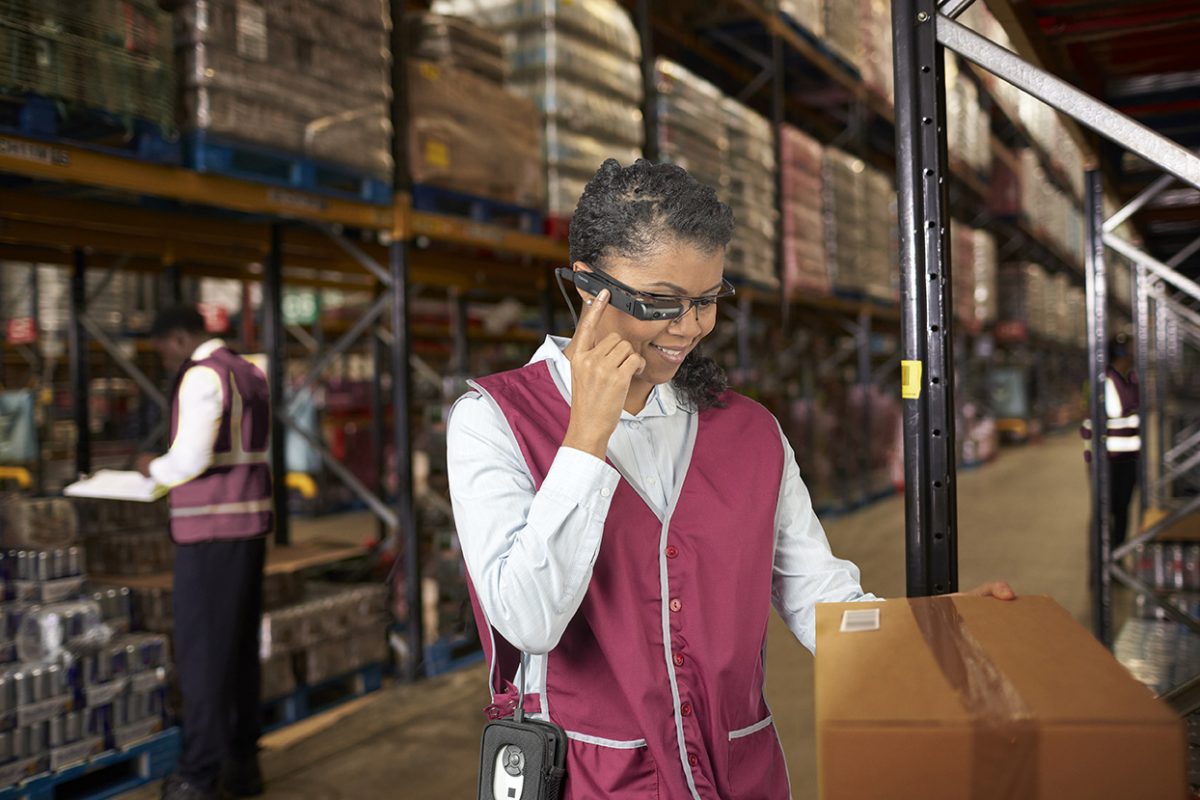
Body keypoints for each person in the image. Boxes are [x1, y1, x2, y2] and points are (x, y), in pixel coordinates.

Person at [446, 159, 1015, 799]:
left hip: (737, 778)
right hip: (588, 782)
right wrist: (586, 437)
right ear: (586, 287)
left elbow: (818, 596)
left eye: (706, 300)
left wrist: (937, 637)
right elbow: (527, 621)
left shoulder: (750, 434)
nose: (689, 327)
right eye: (660, 301)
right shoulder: (494, 421)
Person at [136, 306, 271, 800]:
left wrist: (152, 467)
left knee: (204, 658)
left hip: (211, 532)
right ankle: (243, 764)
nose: (166, 360)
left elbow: (191, 458)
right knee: (237, 654)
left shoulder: (203, 375)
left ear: (177, 337)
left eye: (163, 350)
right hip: (248, 529)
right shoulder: (249, 372)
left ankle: (198, 773)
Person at [1081, 333, 1141, 549]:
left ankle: (1117, 559)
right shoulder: (1104, 380)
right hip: (1106, 459)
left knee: (1123, 510)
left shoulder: (1129, 378)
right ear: (1121, 353)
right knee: (1104, 512)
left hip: (1127, 458)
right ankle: (1101, 566)